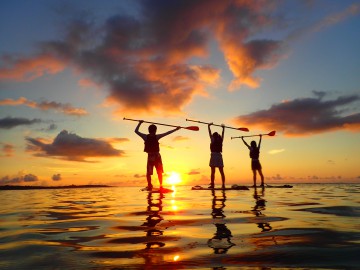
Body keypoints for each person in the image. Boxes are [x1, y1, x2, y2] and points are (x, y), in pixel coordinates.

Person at [135, 120, 180, 190]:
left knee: (149, 173)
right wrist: (176, 129)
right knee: (159, 172)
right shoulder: (156, 136)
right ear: (155, 130)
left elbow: (136, 131)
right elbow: (167, 133)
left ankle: (150, 185)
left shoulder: (145, 137)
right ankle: (160, 185)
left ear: (149, 130)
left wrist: (140, 123)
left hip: (151, 156)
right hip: (157, 156)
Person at [208, 123, 225, 188]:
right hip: (219, 155)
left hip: (214, 155)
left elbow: (209, 133)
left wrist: (209, 126)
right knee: (221, 171)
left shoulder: (212, 139)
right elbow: (223, 134)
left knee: (213, 171)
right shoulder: (221, 140)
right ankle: (223, 185)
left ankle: (212, 184)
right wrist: (223, 128)